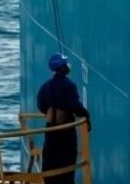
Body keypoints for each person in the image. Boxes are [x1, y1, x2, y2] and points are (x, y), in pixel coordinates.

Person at [37, 52, 91, 184]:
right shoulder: (69, 86)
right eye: (65, 63)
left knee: (50, 164)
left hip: (50, 130)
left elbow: (41, 105)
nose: (68, 65)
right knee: (66, 166)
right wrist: (86, 116)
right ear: (62, 67)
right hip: (65, 131)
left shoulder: (45, 87)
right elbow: (75, 106)